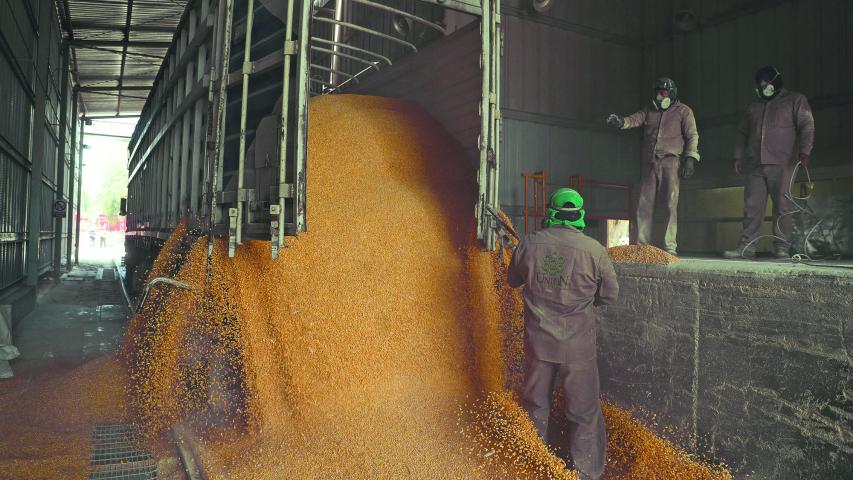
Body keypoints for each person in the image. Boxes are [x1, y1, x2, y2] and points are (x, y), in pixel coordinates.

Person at [508, 188, 619, 480]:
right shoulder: (594, 250)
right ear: (580, 215)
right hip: (577, 347)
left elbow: (512, 280)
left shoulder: (529, 244)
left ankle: (532, 466)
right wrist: (582, 299)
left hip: (538, 344)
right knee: (583, 412)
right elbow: (609, 296)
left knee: (535, 406)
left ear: (551, 213)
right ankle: (585, 473)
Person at [723, 65, 815, 259]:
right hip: (755, 163)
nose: (764, 86)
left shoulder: (795, 100)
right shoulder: (754, 107)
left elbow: (807, 125)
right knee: (752, 206)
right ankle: (746, 247)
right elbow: (742, 133)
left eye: (767, 82)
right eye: (761, 84)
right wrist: (738, 155)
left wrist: (805, 151)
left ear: (776, 82)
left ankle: (782, 247)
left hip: (784, 163)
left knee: (783, 206)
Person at [606, 77, 700, 256]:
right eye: (657, 93)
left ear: (671, 94)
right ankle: (641, 246)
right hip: (650, 162)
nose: (659, 96)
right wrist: (621, 122)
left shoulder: (684, 111)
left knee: (670, 204)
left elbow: (692, 135)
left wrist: (690, 158)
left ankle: (669, 246)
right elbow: (634, 119)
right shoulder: (649, 110)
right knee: (644, 204)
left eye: (663, 93)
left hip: (671, 162)